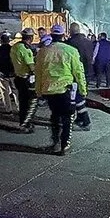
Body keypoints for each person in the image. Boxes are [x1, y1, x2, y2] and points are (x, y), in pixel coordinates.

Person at [35, 24, 87, 155]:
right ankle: (64, 145)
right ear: (63, 35)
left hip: (49, 91)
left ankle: (55, 142)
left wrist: (38, 91)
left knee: (55, 117)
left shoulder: (43, 51)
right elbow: (78, 72)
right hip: (65, 90)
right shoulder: (71, 50)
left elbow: (38, 73)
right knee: (67, 118)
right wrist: (83, 89)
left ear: (51, 35)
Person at [66, 23, 94, 130]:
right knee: (81, 95)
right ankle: (79, 118)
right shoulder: (88, 42)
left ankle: (85, 121)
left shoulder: (70, 43)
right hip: (88, 72)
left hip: (75, 73)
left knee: (76, 98)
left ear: (71, 31)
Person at [10, 28, 38, 132]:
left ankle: (23, 122)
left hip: (18, 77)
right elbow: (31, 67)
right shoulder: (25, 50)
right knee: (30, 103)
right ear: (31, 37)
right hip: (26, 79)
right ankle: (26, 124)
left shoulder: (15, 47)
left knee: (22, 102)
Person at [0, 34, 18, 114]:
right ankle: (20, 108)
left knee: (5, 92)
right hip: (13, 73)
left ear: (1, 41)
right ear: (8, 41)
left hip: (2, 74)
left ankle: (8, 110)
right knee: (16, 91)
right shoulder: (13, 49)